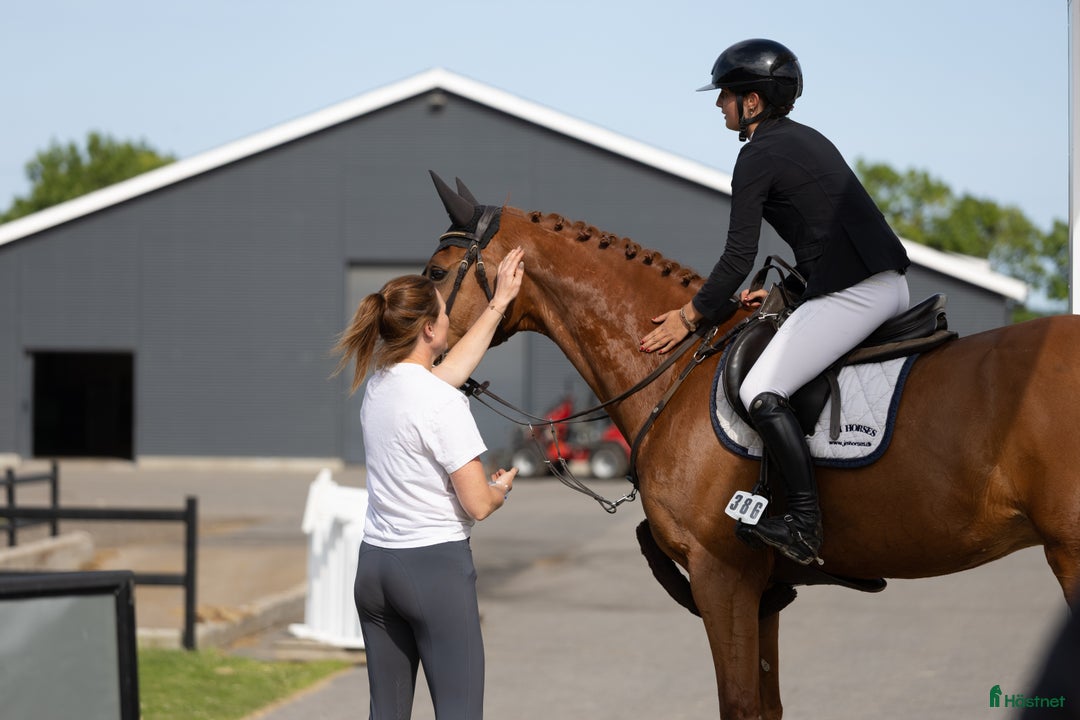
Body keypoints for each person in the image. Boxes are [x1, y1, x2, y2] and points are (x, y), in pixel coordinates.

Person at [639, 38, 911, 566]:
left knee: (763, 387)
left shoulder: (756, 154)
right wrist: (790, 291)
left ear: (754, 102)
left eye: (725, 95)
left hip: (860, 293)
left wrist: (692, 315)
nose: (719, 104)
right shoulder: (805, 139)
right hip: (879, 284)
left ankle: (806, 522)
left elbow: (739, 255)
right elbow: (828, 236)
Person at [334, 246, 525, 720]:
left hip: (375, 568)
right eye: (444, 312)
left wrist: (499, 304)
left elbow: (449, 373)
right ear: (429, 329)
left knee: (388, 713)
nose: (449, 319)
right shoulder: (442, 404)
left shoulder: (378, 385)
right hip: (433, 570)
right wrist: (500, 490)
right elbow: (478, 504)